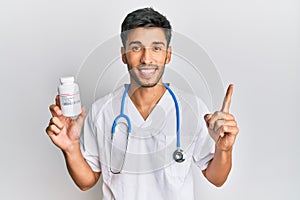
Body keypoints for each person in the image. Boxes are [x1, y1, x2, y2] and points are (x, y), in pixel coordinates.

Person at [46, 7, 239, 200]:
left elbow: (217, 178)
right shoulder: (102, 110)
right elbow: (86, 181)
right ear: (124, 55)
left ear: (168, 54)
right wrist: (70, 148)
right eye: (136, 48)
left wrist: (224, 148)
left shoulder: (193, 108)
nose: (147, 59)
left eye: (156, 48)